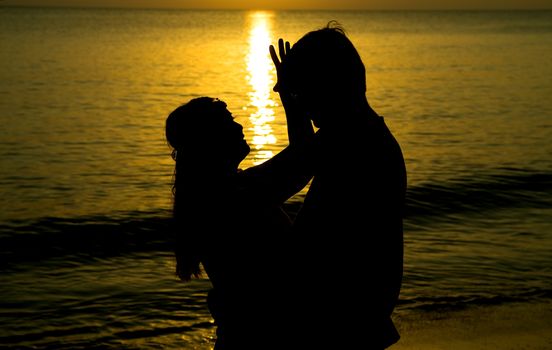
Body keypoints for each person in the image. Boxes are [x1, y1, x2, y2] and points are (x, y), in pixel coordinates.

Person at [271, 22, 407, 349]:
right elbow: (304, 161)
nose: (301, 98)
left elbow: (284, 179)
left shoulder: (347, 139)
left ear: (327, 85)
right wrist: (295, 104)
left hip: (343, 315)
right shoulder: (363, 133)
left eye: (305, 88)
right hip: (359, 309)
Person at [165, 94, 313, 349]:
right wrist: (293, 100)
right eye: (227, 122)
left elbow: (303, 154)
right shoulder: (226, 197)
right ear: (208, 140)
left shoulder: (226, 186)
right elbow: (304, 161)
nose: (239, 126)